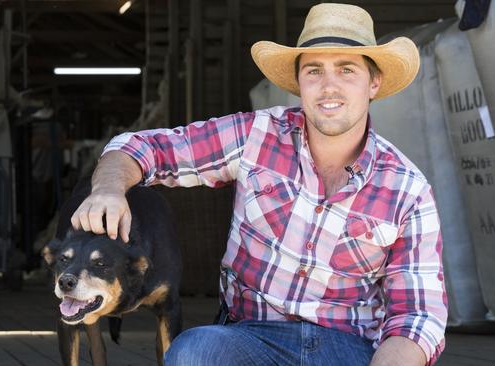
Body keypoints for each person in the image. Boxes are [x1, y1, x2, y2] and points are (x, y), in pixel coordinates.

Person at [70, 3, 447, 366]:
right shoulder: (256, 135)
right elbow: (143, 147)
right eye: (314, 71)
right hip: (249, 338)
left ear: (374, 83)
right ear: (299, 83)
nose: (329, 86)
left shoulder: (407, 189)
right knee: (192, 351)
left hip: (346, 347)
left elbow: (417, 316)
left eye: (347, 70)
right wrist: (108, 188)